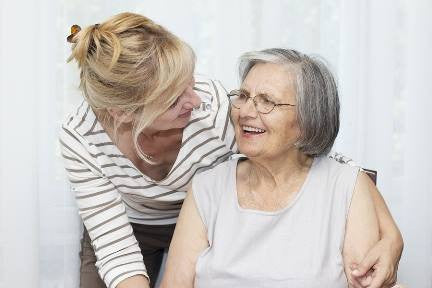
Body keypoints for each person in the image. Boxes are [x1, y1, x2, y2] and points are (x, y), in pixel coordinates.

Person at [60, 12, 402, 288]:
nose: (194, 101)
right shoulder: (81, 136)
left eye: (190, 84)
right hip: (131, 224)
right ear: (126, 113)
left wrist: (391, 235)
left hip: (200, 215)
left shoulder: (213, 109)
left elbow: (313, 149)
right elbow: (116, 249)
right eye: (175, 99)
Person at [161, 48, 401, 288]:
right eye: (243, 96)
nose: (245, 112)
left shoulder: (346, 187)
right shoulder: (206, 188)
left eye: (267, 101)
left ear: (308, 119)